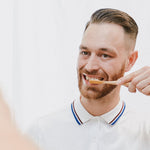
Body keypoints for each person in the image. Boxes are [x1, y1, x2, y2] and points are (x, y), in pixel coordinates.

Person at [27, 8, 150, 150]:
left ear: (130, 60)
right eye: (85, 52)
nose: (90, 66)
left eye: (105, 55)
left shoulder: (145, 131)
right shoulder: (40, 134)